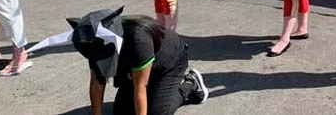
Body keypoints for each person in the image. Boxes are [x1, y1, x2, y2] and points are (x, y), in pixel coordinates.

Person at [29, 7, 208, 115]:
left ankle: (189, 86)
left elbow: (140, 88)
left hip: (169, 64)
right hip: (135, 65)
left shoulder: (139, 39)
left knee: (155, 112)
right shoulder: (91, 39)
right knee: (121, 112)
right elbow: (97, 83)